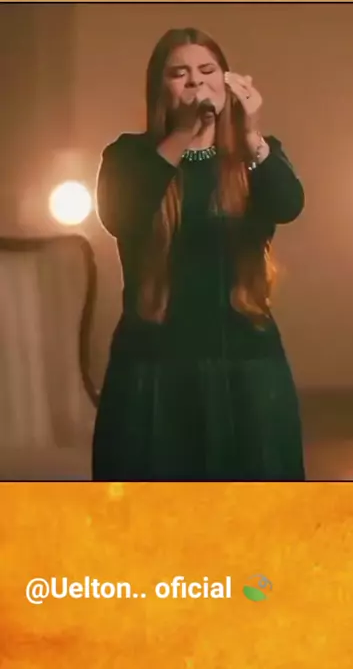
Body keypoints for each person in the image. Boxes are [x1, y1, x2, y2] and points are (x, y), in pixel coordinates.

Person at [92, 27, 306, 481]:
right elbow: (122, 215)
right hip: (153, 366)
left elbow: (288, 205)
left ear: (227, 84)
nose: (195, 81)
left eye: (207, 70)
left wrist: (252, 136)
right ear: (159, 88)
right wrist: (183, 132)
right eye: (179, 73)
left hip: (247, 365)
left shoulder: (253, 157)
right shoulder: (129, 156)